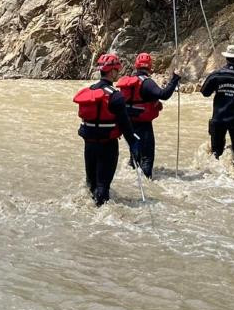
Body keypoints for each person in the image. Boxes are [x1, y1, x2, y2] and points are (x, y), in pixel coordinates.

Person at [73, 53, 140, 206]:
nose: (118, 73)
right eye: (117, 70)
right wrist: (134, 144)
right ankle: (103, 217)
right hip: (107, 146)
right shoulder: (116, 96)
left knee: (91, 184)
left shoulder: (89, 91)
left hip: (89, 145)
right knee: (103, 186)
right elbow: (125, 125)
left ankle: (89, 215)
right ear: (112, 72)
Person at [117, 53, 180, 179]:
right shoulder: (147, 82)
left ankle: (134, 179)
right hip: (142, 124)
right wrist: (175, 79)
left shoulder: (130, 82)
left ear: (136, 66)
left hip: (128, 124)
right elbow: (164, 94)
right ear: (150, 67)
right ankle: (146, 180)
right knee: (147, 157)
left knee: (135, 154)